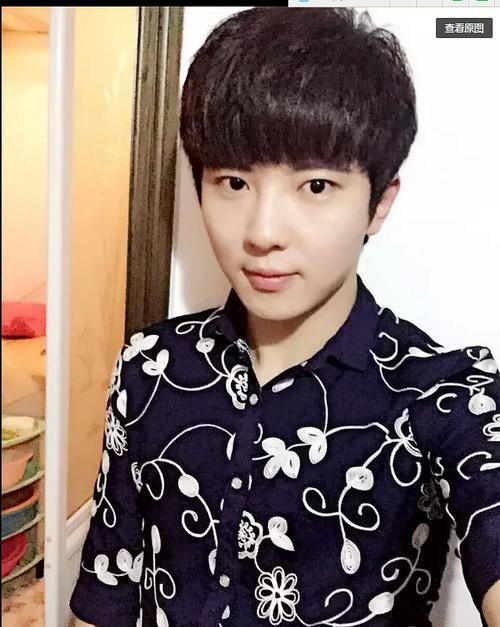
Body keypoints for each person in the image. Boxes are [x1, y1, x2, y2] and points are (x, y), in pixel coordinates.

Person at [70, 7, 500, 627]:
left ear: (379, 203)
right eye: (233, 183)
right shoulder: (150, 368)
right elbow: (104, 598)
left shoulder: (442, 394)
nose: (263, 232)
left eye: (316, 186)